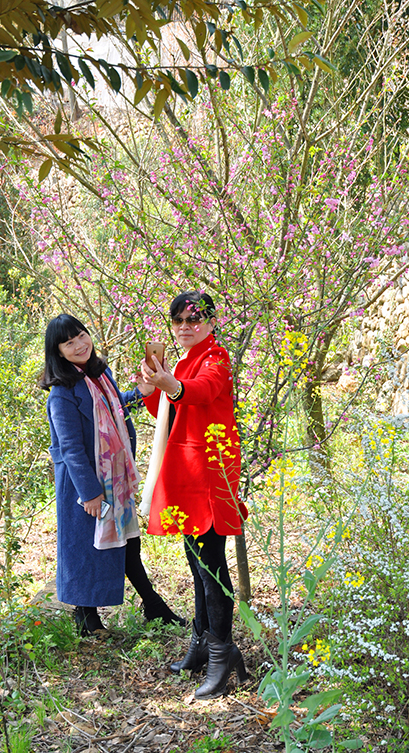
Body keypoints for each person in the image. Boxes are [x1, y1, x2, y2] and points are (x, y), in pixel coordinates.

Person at [40, 314, 184, 636]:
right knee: (87, 547)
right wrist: (90, 494)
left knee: (127, 542)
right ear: (58, 352)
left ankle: (152, 606)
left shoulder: (99, 374)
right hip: (86, 484)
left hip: (114, 479)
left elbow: (116, 408)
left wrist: (142, 391)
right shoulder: (62, 393)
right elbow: (71, 449)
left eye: (81, 335)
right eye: (69, 342)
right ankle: (87, 618)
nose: (79, 345)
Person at [137, 291, 248, 699]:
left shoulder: (216, 357)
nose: (185, 326)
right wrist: (151, 388)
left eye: (194, 319)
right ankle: (202, 644)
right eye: (179, 320)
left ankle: (222, 653)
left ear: (211, 323)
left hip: (209, 472)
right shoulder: (184, 361)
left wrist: (171, 383)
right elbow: (170, 411)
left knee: (211, 566)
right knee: (197, 562)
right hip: (186, 470)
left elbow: (200, 391)